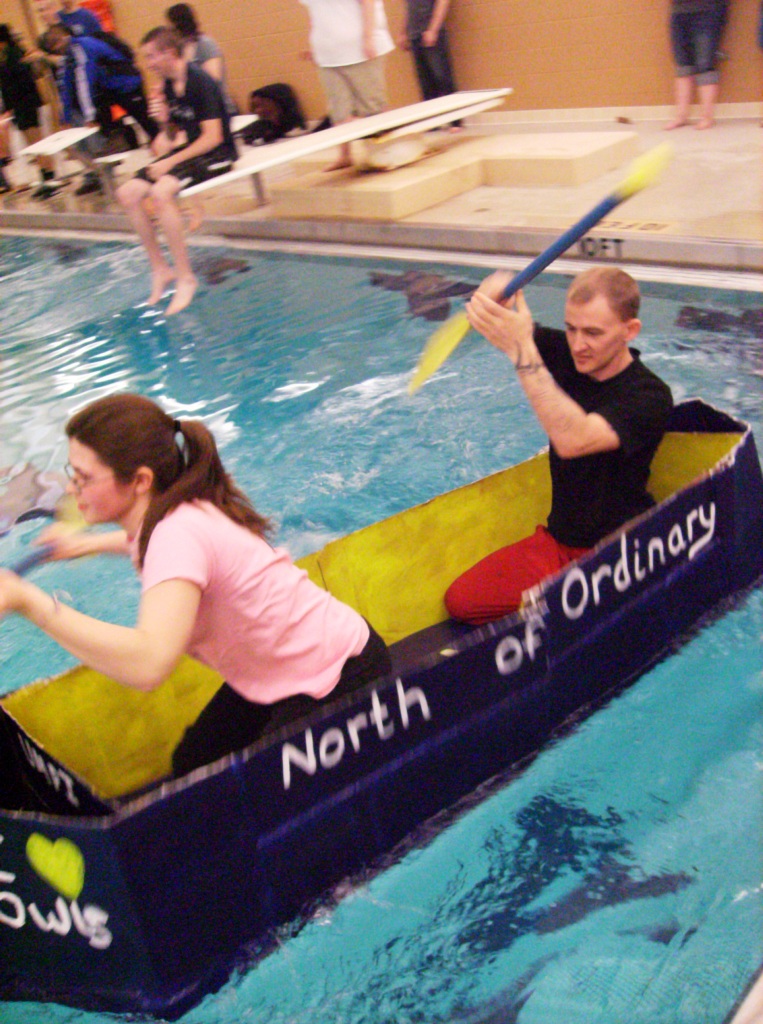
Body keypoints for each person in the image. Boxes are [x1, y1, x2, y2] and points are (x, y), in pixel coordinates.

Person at [0, 393, 391, 777]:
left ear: (139, 481)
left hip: (340, 672)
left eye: (83, 479)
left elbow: (149, 664)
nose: (71, 490)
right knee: (193, 762)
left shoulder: (175, 536)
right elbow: (148, 546)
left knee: (257, 789)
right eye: (72, 475)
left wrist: (30, 603)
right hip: (289, 668)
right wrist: (83, 545)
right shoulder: (170, 510)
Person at [444, 267, 674, 625]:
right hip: (559, 544)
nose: (578, 344)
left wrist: (523, 350)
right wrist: (497, 290)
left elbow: (574, 439)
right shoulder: (571, 354)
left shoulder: (649, 396)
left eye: (593, 333)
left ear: (630, 331)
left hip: (616, 551)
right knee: (462, 602)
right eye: (571, 328)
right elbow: (490, 317)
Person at [116, 27, 237, 315]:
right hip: (192, 152)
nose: (148, 65)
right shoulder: (170, 85)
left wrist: (169, 162)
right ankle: (161, 269)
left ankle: (186, 276)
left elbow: (213, 138)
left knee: (161, 192)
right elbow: (171, 139)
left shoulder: (200, 81)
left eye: (151, 57)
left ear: (169, 53)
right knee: (128, 193)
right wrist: (162, 121)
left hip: (217, 154)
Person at [299, 0, 394, 170]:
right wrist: (315, 46)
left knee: (372, 105)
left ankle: (385, 151)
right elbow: (316, 14)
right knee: (339, 112)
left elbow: (368, 3)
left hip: (359, 49)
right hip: (328, 54)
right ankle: (344, 155)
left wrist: (368, 37)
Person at [665, 0, 728, 130]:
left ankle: (706, 117)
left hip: (709, 8)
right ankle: (681, 116)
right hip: (679, 10)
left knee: (705, 63)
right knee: (682, 64)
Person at [165, 3, 237, 115]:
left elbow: (213, 81)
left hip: (218, 109)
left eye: (170, 27)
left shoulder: (205, 44)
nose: (169, 32)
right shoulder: (179, 49)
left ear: (178, 25)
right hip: (195, 111)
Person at [398, 0, 457, 104]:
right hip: (414, 35)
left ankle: (455, 119)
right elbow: (407, 7)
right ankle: (435, 119)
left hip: (430, 34)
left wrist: (433, 30)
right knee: (426, 85)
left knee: (443, 80)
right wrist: (403, 32)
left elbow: (443, 2)